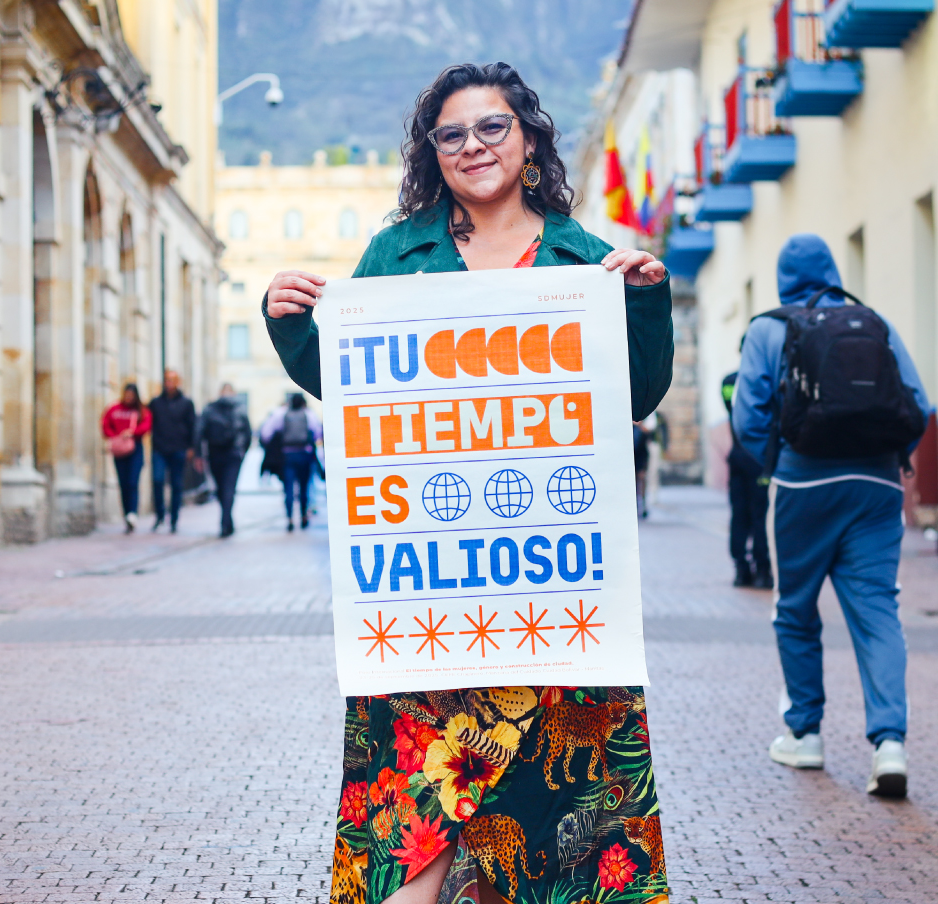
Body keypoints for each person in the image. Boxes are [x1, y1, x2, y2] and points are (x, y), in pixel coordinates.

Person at [263, 62, 674, 904]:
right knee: (409, 848)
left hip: (552, 609)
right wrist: (290, 324)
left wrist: (643, 301)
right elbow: (351, 386)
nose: (473, 146)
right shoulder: (396, 251)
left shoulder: (582, 259)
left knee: (527, 852)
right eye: (451, 134)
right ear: (432, 152)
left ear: (528, 139)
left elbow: (637, 393)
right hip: (430, 607)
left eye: (493, 127)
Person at [732, 233, 932, 797]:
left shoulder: (769, 328)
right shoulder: (875, 323)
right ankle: (890, 744)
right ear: (831, 270)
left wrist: (782, 463)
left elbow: (750, 415)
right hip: (876, 485)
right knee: (877, 610)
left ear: (783, 279)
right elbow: (919, 404)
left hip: (804, 482)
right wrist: (890, 460)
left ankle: (806, 735)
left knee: (795, 608)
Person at [721, 369, 772, 588]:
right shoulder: (763, 381)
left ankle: (741, 568)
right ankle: (762, 569)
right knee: (761, 515)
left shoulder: (729, 381)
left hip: (737, 457)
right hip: (759, 459)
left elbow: (731, 410)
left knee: (739, 515)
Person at [259, 394, 322, 531]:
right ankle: (304, 516)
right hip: (304, 454)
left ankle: (290, 518)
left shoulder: (281, 414)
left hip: (287, 455)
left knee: (288, 488)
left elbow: (266, 433)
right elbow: (318, 433)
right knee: (304, 487)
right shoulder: (309, 415)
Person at [146, 370, 197, 533]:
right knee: (158, 480)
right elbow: (145, 418)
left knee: (176, 485)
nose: (169, 383)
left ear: (178, 382)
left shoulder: (187, 403)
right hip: (159, 449)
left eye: (172, 380)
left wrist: (191, 448)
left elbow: (193, 426)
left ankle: (174, 518)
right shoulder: (155, 403)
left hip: (179, 449)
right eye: (167, 380)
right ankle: (160, 514)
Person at [199, 383, 252, 538]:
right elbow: (247, 433)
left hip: (215, 453)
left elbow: (200, 431)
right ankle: (226, 522)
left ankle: (225, 521)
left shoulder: (210, 408)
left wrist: (199, 453)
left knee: (221, 488)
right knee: (229, 488)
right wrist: (243, 452)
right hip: (234, 454)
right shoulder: (240, 409)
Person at [102, 383, 152, 533]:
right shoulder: (114, 409)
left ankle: (132, 513)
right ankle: (126, 515)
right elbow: (105, 424)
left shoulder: (141, 411)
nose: (129, 397)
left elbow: (147, 425)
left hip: (135, 449)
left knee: (132, 481)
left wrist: (133, 432)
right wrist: (115, 436)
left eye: (131, 394)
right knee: (123, 483)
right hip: (119, 450)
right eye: (127, 394)